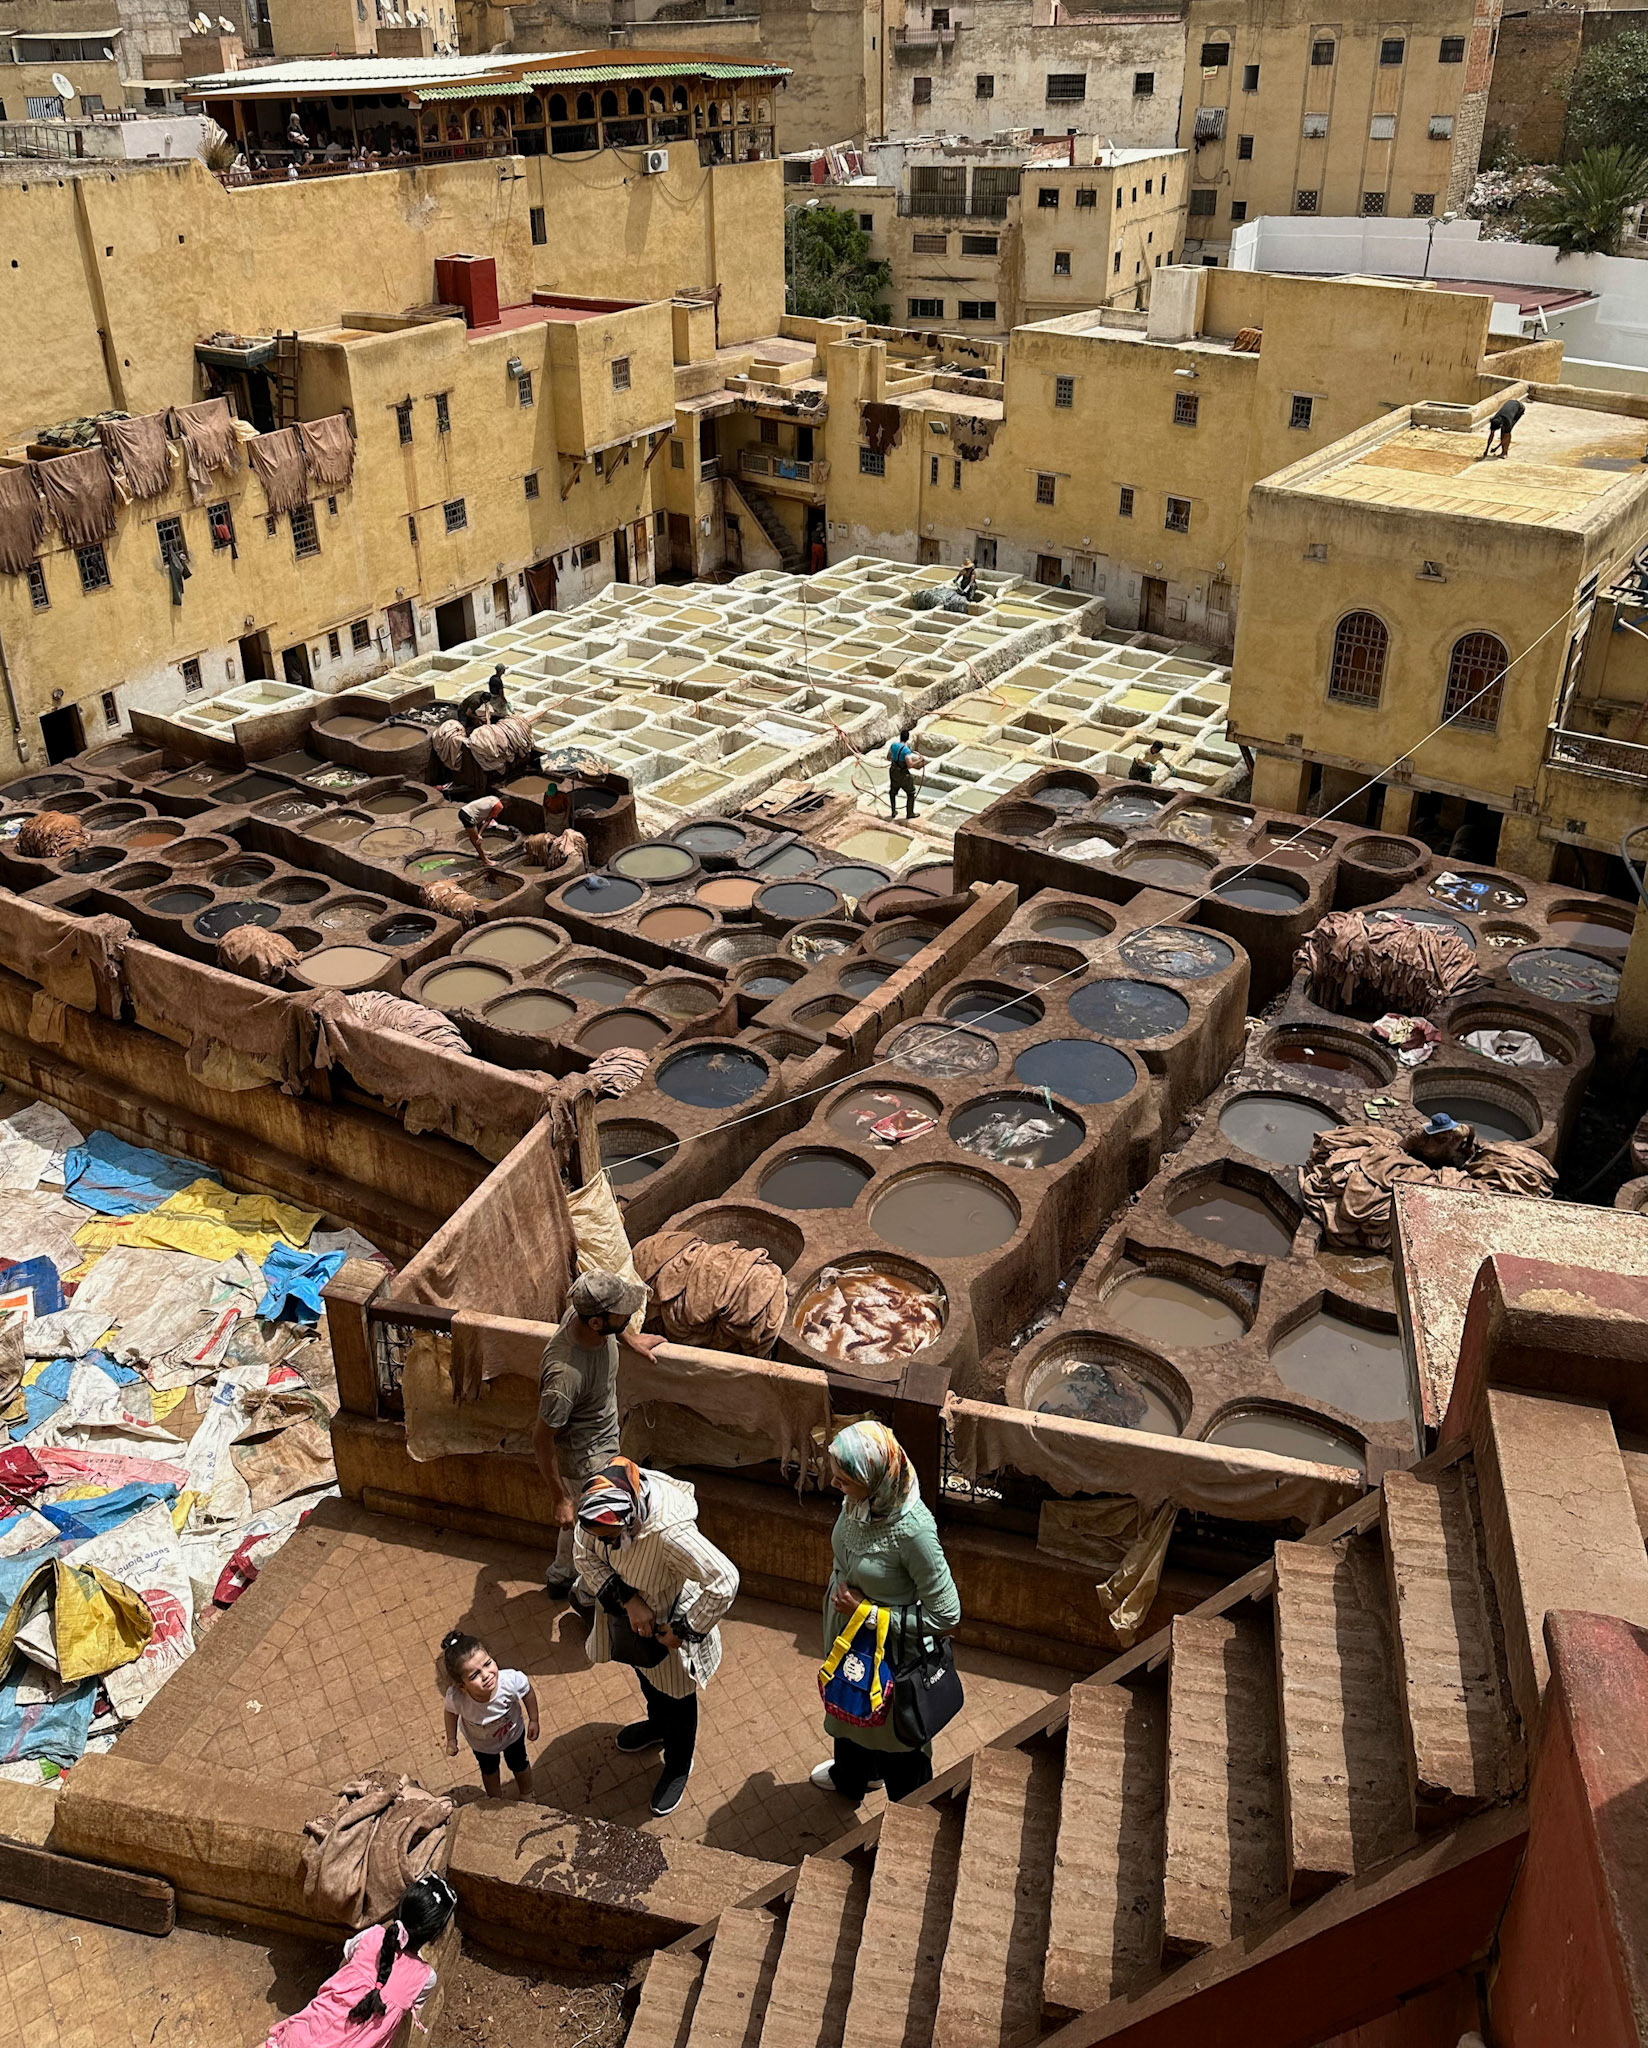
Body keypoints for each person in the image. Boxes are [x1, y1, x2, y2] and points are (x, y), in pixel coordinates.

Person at [574, 1457, 739, 1816]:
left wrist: (683, 1631)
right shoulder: (601, 1504)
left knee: (678, 1698)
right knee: (647, 1678)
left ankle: (679, 1764)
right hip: (633, 1622)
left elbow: (725, 1580)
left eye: (614, 1538)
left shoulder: (669, 1532)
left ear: (631, 1518)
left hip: (668, 1625)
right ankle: (657, 1726)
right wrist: (630, 1601)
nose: (609, 1544)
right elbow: (583, 1553)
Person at [812, 1420, 960, 1805]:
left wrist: (868, 1612)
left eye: (843, 1480)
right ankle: (854, 1777)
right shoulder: (862, 1501)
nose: (835, 1487)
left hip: (892, 1659)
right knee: (848, 1714)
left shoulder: (915, 1532)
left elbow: (947, 1616)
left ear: (875, 1478)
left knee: (899, 1748)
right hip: (850, 1641)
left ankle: (909, 1814)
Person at [536, 1270, 662, 1601]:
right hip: (586, 1460)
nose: (629, 1314)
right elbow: (541, 1439)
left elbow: (612, 1327)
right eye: (622, 1313)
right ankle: (587, 1595)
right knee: (604, 1530)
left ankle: (561, 1576)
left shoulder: (585, 1316)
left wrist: (630, 1338)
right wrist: (559, 1497)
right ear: (596, 1323)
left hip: (606, 1440)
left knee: (581, 1522)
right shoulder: (564, 1378)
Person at [261, 1872, 457, 2046]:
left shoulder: (371, 1936)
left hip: (299, 2037)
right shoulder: (425, 1978)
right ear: (436, 1934)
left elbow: (342, 1969)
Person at [441, 1630, 539, 1800]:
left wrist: (534, 1719)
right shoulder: (457, 1698)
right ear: (462, 1686)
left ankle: (527, 1792)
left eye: (487, 1664)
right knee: (489, 1771)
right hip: (482, 1746)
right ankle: (494, 1799)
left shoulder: (510, 1681)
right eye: (474, 1675)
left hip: (513, 1736)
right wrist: (451, 1739)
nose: (486, 1675)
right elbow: (450, 1713)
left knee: (520, 1764)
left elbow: (527, 1692)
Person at [457, 790, 509, 871]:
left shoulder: (493, 798)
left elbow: (481, 813)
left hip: (463, 811)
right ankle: (486, 861)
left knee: (473, 837)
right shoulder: (499, 806)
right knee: (477, 840)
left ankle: (481, 854)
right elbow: (488, 821)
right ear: (505, 803)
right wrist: (479, 834)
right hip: (469, 816)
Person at [887, 724, 923, 821]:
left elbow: (888, 757)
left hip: (893, 771)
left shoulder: (893, 745)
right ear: (907, 739)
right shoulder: (906, 751)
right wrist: (919, 761)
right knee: (911, 793)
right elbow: (910, 765)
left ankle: (893, 811)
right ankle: (910, 813)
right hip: (903, 774)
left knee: (893, 792)